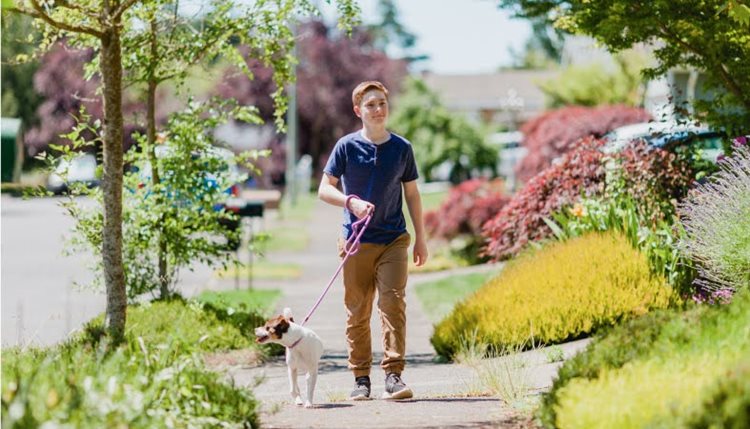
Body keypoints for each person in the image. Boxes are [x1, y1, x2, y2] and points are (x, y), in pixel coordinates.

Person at [318, 80, 429, 401]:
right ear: (358, 111)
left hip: (393, 239)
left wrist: (421, 238)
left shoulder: (402, 148)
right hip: (355, 241)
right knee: (357, 310)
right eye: (370, 105)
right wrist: (349, 202)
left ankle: (394, 375)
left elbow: (412, 194)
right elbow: (325, 189)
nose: (378, 109)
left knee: (393, 303)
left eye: (382, 103)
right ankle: (361, 378)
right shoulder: (346, 147)